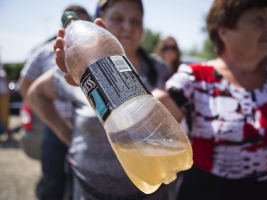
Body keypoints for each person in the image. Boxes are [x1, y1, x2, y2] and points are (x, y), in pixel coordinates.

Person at [52, 0, 267, 199]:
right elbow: (150, 110)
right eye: (259, 20)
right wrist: (102, 81)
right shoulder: (196, 78)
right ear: (224, 31)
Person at [27, 0, 172, 200]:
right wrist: (65, 135)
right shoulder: (80, 68)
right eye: (118, 19)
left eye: (135, 20)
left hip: (153, 189)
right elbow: (35, 94)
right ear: (100, 24)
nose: (128, 27)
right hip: (90, 191)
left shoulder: (160, 69)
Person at [18, 5, 91, 200]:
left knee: (86, 182)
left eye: (83, 22)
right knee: (53, 180)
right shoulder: (44, 52)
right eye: (72, 23)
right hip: (54, 128)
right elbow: (25, 86)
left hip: (87, 129)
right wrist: (45, 114)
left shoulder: (94, 52)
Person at [0, 65, 10, 137]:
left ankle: (6, 131)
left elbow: (7, 81)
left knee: (4, 114)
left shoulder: (2, 69)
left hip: (4, 95)